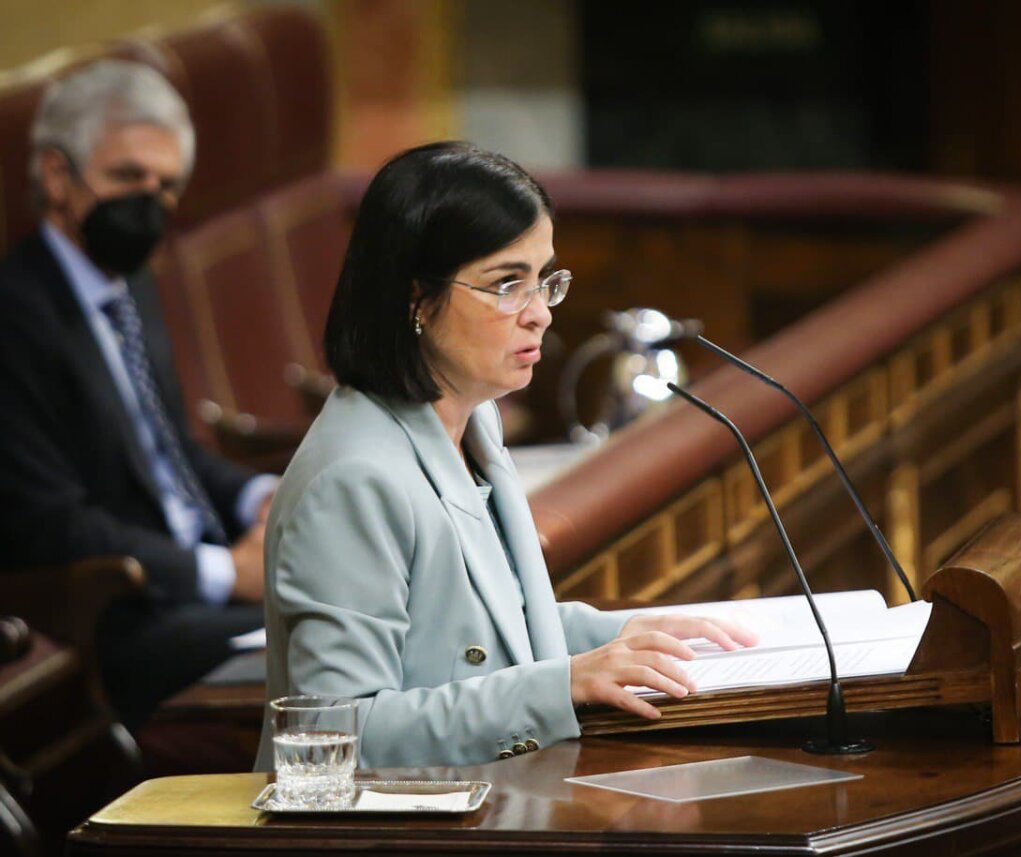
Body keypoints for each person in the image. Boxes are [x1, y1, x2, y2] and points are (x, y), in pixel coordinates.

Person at [255, 142, 757, 769]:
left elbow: (482, 629)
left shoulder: (471, 419)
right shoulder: (354, 478)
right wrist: (562, 685)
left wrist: (625, 638)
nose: (540, 314)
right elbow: (338, 734)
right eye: (507, 285)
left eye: (545, 279)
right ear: (417, 299)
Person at [0, 60, 274, 729]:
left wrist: (264, 496)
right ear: (58, 176)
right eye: (128, 177)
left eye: (167, 184)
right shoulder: (15, 313)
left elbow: (170, 450)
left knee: (373, 613)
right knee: (334, 648)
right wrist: (225, 573)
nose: (149, 202)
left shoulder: (130, 283)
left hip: (196, 591)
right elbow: (49, 524)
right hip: (117, 615)